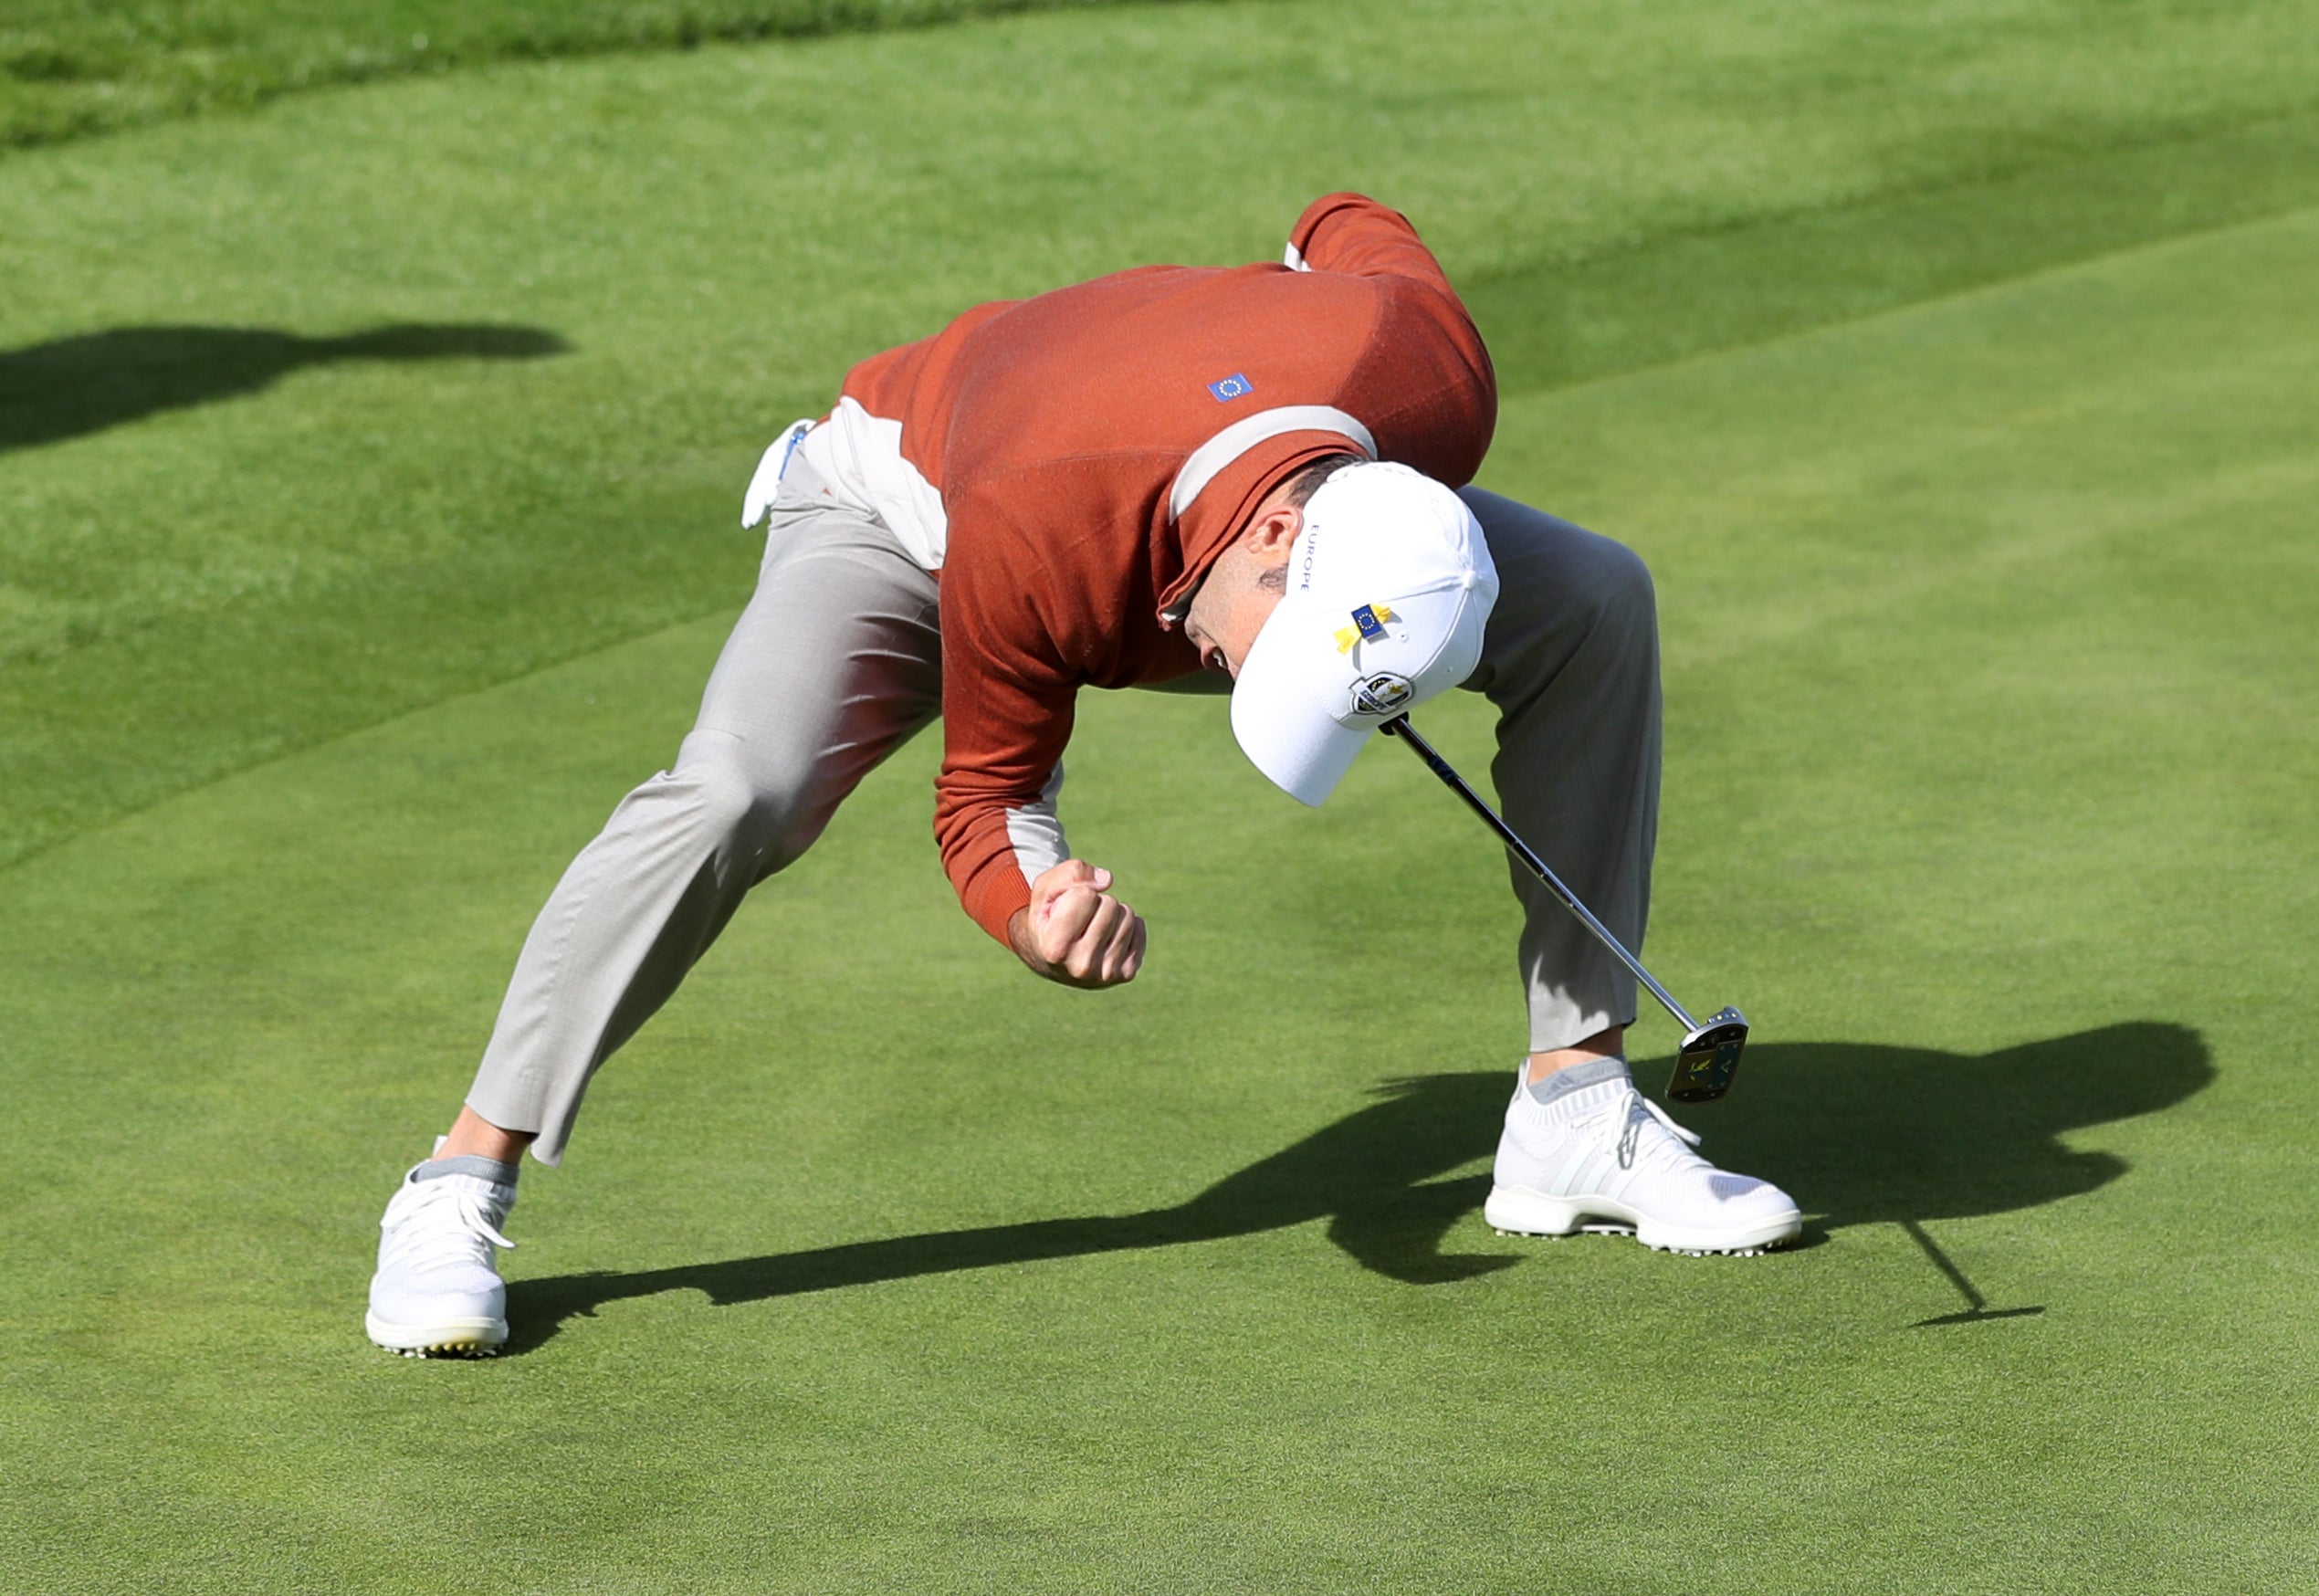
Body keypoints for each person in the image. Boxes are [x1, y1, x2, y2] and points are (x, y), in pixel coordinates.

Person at [364, 194, 1801, 1358]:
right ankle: (460, 1173)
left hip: (1190, 481)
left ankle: (1570, 1104)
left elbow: (1342, 218)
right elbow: (986, 797)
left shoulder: (1427, 373)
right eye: (1270, 664)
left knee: (1596, 595)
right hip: (918, 509)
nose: (1249, 688)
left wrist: (1269, 308)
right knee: (747, 784)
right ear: (1274, 550)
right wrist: (1033, 907)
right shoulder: (1039, 523)